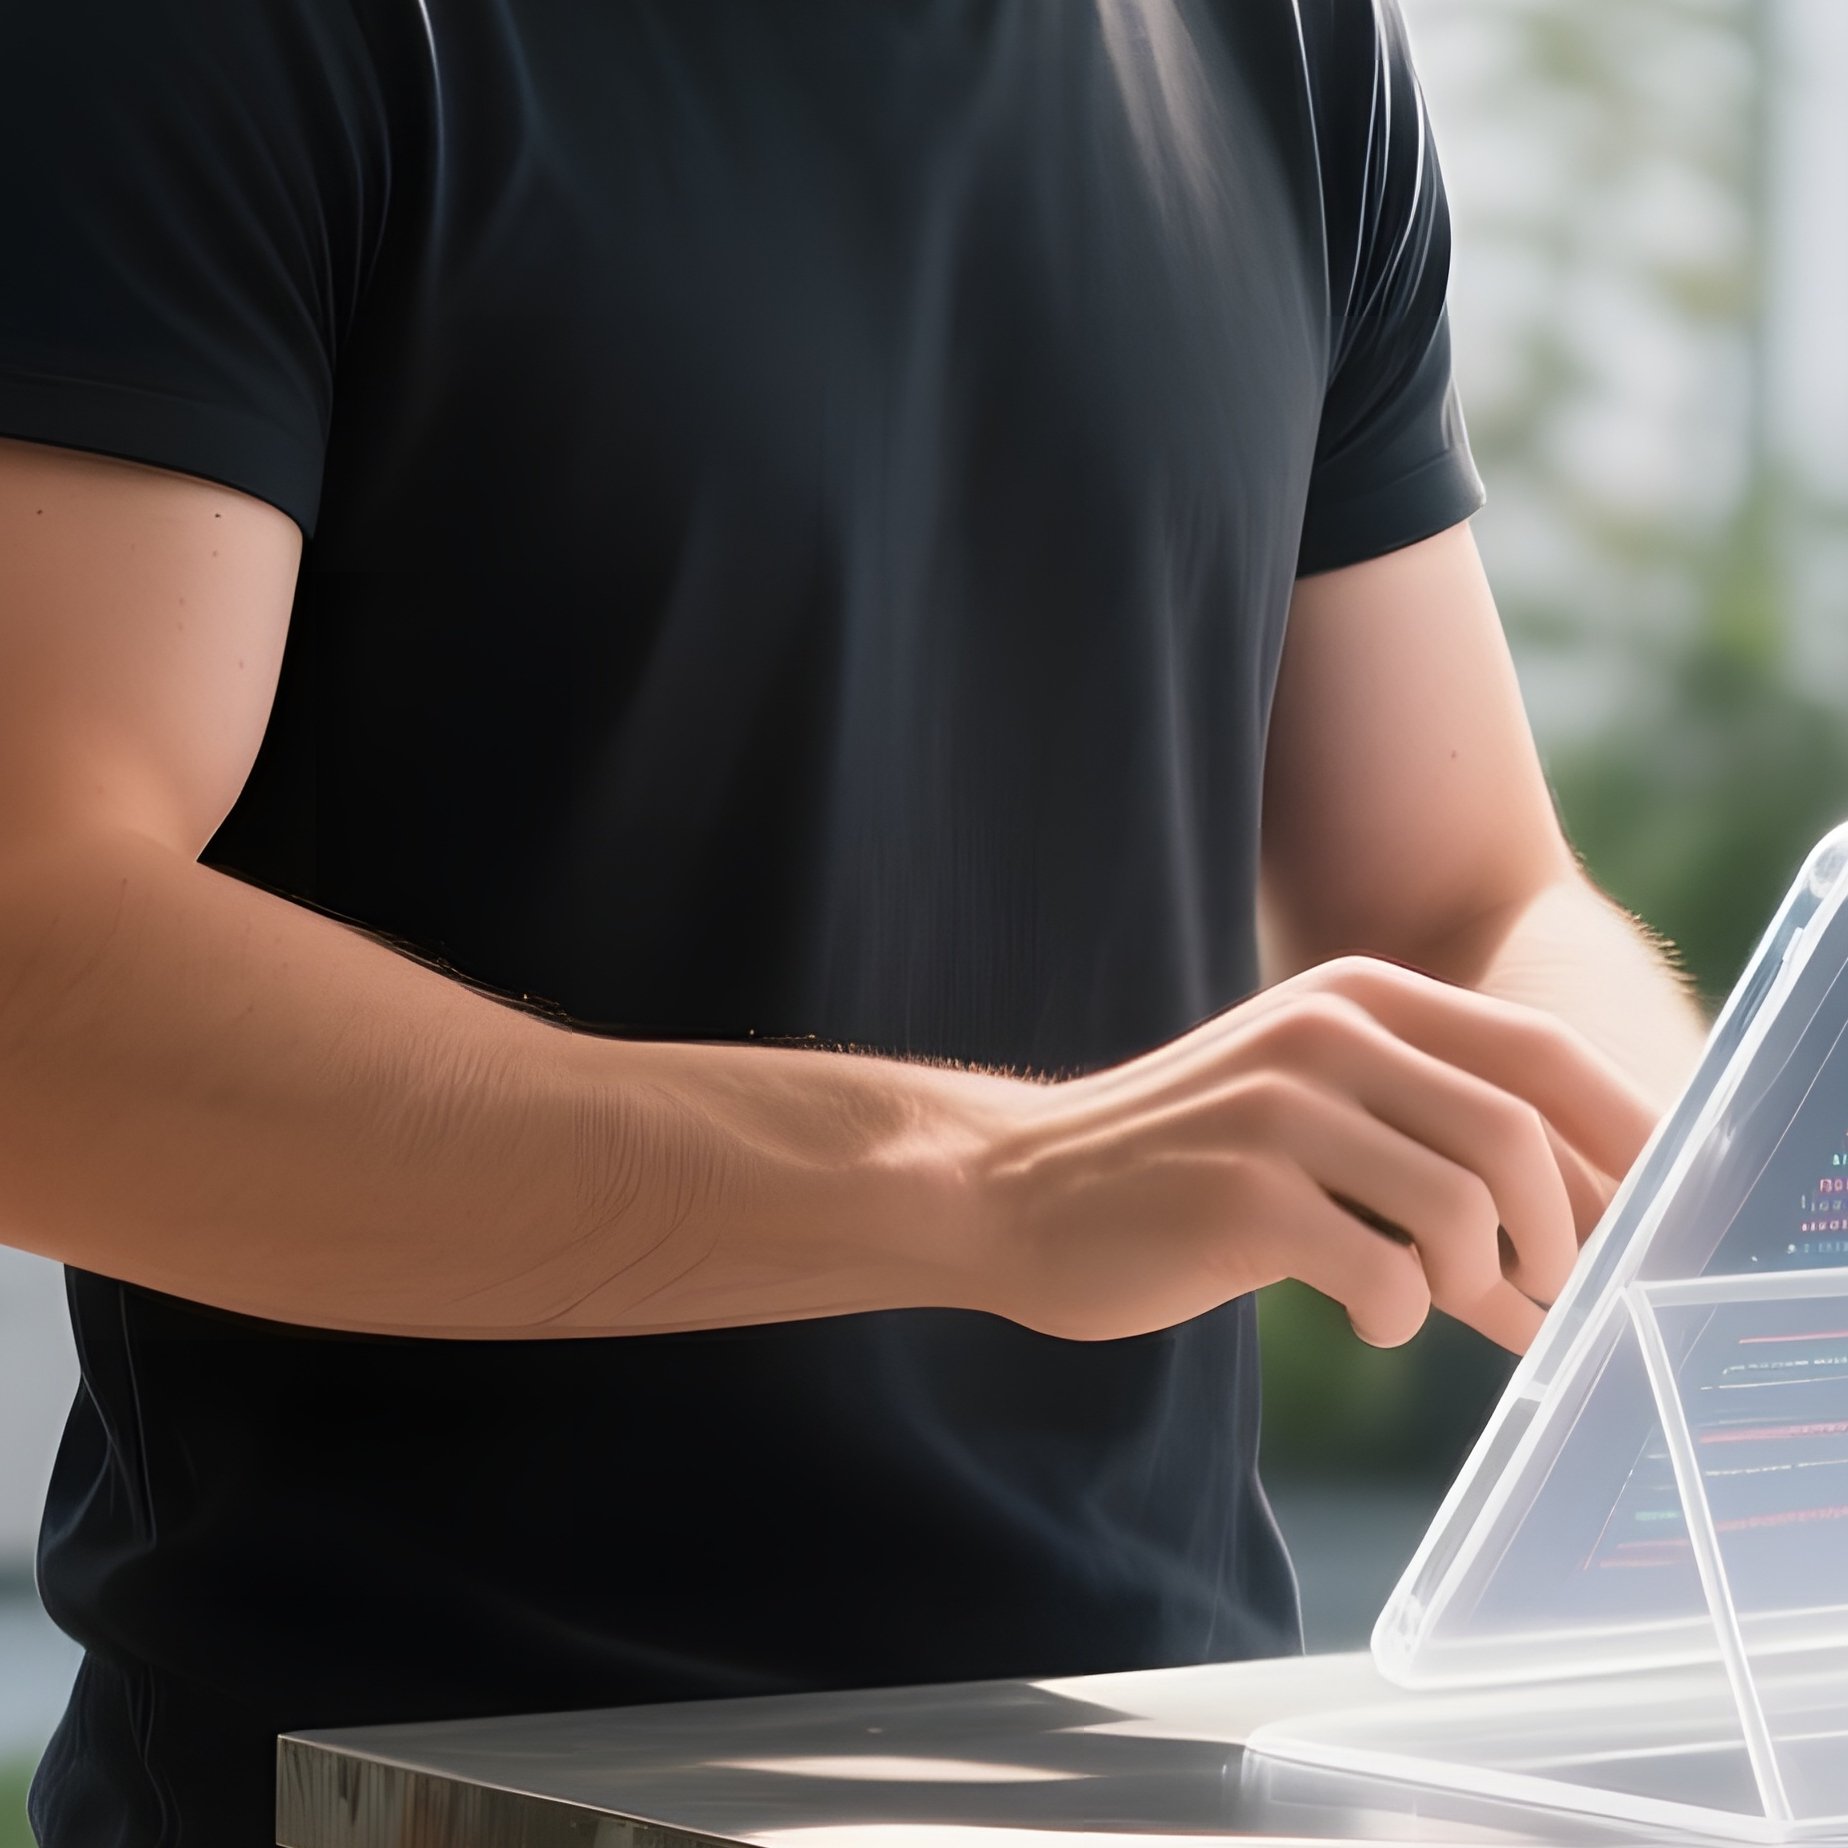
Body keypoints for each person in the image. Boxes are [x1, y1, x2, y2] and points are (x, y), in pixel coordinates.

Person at [0, 0, 1708, 1841]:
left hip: (1155, 1774)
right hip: (418, 1784)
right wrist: (988, 1184)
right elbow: (34, 978)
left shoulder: (1293, 46)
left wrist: (1709, 1222)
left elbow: (1467, 898)